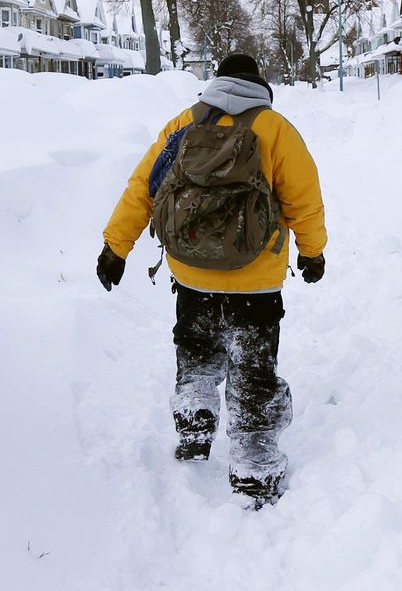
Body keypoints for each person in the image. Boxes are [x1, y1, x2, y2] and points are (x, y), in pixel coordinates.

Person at [97, 53, 326, 506]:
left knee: (197, 351)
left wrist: (115, 247)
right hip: (256, 278)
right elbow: (305, 197)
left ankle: (195, 422)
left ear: (217, 81)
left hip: (192, 271)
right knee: (253, 369)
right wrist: (312, 252)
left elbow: (144, 186)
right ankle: (254, 469)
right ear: (259, 84)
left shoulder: (184, 122)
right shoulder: (275, 129)